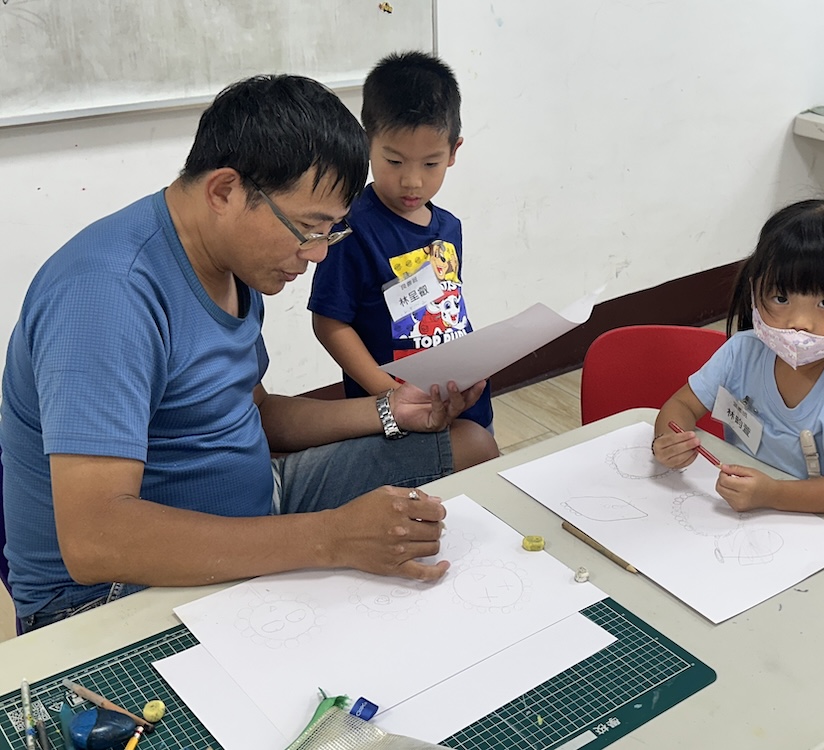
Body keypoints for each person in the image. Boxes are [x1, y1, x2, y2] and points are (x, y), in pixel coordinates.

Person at [0, 74, 499, 633]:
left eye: (330, 233)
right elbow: (96, 540)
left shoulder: (232, 261)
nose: (316, 255)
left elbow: (254, 411)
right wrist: (330, 538)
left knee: (467, 445)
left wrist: (390, 410)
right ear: (224, 192)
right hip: (109, 590)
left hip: (256, 496)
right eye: (307, 229)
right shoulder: (106, 297)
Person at [653, 199, 824, 514]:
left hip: (820, 523)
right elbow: (682, 405)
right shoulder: (742, 351)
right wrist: (667, 441)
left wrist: (773, 494)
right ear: (755, 291)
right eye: (781, 298)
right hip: (744, 513)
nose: (799, 322)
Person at [309, 51, 495, 433]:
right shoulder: (350, 228)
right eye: (394, 162)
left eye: (430, 164)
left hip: (463, 404)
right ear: (367, 143)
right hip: (399, 414)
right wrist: (390, 395)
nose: (412, 181)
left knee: (481, 453)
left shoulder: (449, 227)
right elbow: (329, 322)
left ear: (453, 152)